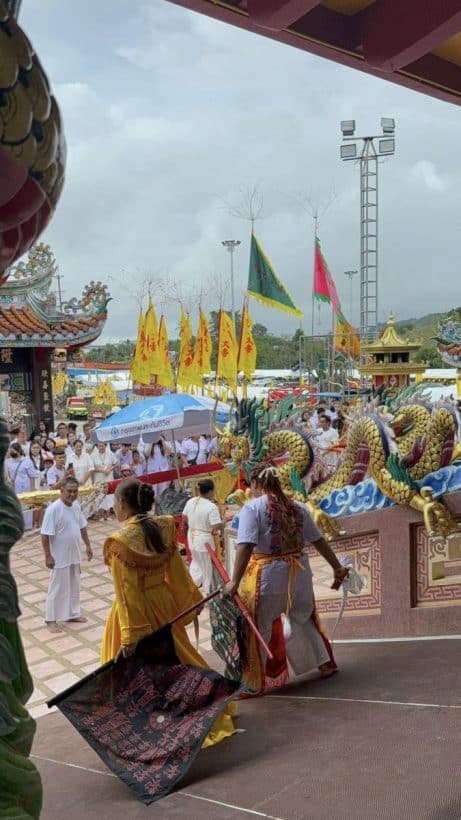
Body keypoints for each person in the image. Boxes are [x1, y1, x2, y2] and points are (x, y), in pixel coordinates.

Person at [100, 478, 235, 748]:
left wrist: (130, 635)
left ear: (123, 504)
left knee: (137, 671)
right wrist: (188, 602)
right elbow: (177, 572)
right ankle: (204, 701)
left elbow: (127, 591)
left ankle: (151, 726)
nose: (114, 507)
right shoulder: (164, 525)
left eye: (114, 502)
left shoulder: (120, 542)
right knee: (177, 657)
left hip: (136, 612)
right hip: (162, 602)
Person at [224, 464, 348, 696]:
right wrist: (336, 567)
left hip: (268, 579)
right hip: (299, 576)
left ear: (255, 484)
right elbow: (318, 540)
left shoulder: (252, 508)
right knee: (303, 619)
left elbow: (246, 546)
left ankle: (254, 682)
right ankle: (324, 665)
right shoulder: (298, 507)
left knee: (259, 628)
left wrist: (234, 581)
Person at [40, 476, 93, 633]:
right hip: (59, 557)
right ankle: (50, 619)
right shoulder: (53, 509)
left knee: (74, 584)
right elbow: (45, 534)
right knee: (57, 587)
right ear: (61, 490)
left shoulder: (76, 506)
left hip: (74, 554)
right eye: (69, 491)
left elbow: (82, 526)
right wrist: (48, 556)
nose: (72, 494)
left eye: (75, 491)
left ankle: (72, 614)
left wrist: (88, 545)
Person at [182, 479, 223, 593]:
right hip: (204, 540)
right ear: (210, 491)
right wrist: (221, 524)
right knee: (207, 567)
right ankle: (208, 593)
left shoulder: (191, 501)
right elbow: (216, 525)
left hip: (192, 537)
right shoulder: (211, 506)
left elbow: (184, 516)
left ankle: (191, 588)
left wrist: (194, 523)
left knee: (196, 563)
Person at [92, 442, 117, 520]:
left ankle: (108, 515)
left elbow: (115, 464)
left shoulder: (110, 454)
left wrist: (110, 469)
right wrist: (101, 470)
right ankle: (101, 515)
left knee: (108, 495)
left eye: (103, 446)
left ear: (105, 446)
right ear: (97, 447)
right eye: (99, 446)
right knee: (100, 495)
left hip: (108, 476)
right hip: (98, 477)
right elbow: (92, 468)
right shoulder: (93, 455)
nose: (101, 447)